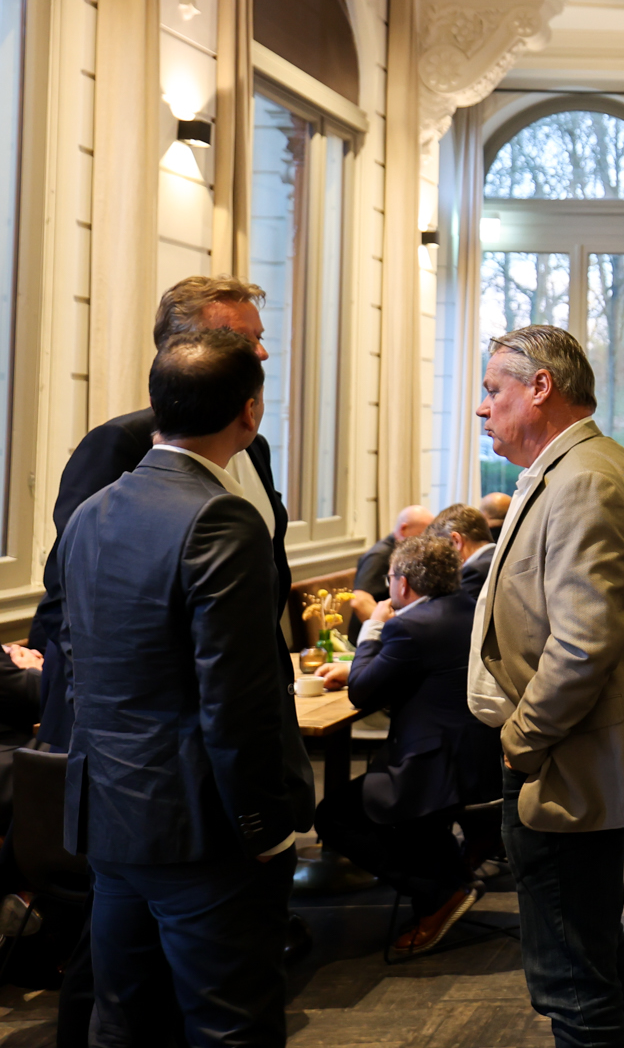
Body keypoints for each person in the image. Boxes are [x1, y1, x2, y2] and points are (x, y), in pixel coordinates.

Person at [29, 275, 299, 1044]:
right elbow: (229, 695)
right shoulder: (208, 511)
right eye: (245, 341)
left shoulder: (96, 514)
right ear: (247, 406)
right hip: (194, 809)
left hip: (116, 803)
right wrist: (263, 824)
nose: (259, 351)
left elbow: (84, 644)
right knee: (229, 1025)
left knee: (126, 1017)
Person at [470, 325, 624, 1046]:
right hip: (569, 754)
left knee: (574, 981)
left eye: (493, 389)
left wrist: (521, 741)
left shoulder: (583, 479)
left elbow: (583, 642)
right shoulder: (578, 467)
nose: (482, 407)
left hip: (563, 762)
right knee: (587, 958)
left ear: (541, 387)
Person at [314, 535, 500, 954]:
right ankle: (451, 878)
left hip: (438, 769)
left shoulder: (407, 626)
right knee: (380, 801)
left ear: (402, 583)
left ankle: (440, 892)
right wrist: (365, 664)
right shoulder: (466, 608)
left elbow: (363, 692)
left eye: (389, 579)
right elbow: (409, 667)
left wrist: (372, 629)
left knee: (333, 816)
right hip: (481, 759)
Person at [353, 504, 435, 620]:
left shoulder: (406, 552)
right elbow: (359, 601)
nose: (427, 540)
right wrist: (386, 626)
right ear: (403, 529)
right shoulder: (379, 556)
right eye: (422, 534)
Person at [429, 503, 498, 601]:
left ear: (456, 541)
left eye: (441, 550)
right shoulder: (501, 557)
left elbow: (451, 609)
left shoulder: (474, 572)